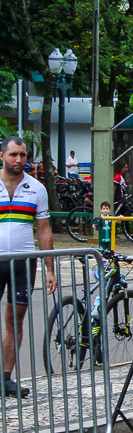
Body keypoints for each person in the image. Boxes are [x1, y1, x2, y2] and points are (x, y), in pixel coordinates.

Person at [0, 136, 57, 398]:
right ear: (2, 156)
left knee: (15, 320)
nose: (19, 160)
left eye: (23, 155)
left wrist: (49, 268)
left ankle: (5, 378)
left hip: (23, 261)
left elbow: (44, 230)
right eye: (13, 155)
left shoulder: (36, 189)